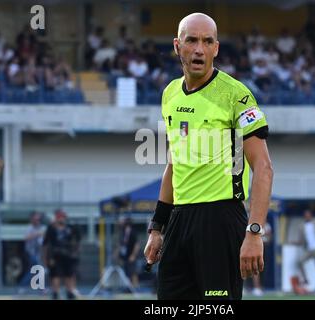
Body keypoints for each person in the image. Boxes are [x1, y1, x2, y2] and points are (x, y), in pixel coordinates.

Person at [144, 13, 273, 300]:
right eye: (191, 40)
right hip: (179, 222)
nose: (199, 49)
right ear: (178, 46)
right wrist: (157, 227)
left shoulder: (235, 95)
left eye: (207, 41)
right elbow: (174, 164)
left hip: (221, 220)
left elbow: (263, 168)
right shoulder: (170, 94)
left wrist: (254, 232)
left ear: (216, 48)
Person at [42, 209, 81, 300]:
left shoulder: (70, 228)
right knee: (55, 275)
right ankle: (56, 292)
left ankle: (70, 291)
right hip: (55, 255)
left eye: (62, 217)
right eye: (59, 217)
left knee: (69, 274)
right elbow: (46, 244)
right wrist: (46, 258)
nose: (61, 219)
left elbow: (77, 240)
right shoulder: (51, 228)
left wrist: (75, 251)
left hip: (68, 254)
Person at [18, 211, 46, 294]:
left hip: (39, 252)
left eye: (38, 219)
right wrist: (36, 234)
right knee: (38, 268)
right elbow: (26, 238)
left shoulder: (41, 227)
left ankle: (25, 286)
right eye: (35, 219)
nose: (37, 220)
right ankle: (39, 288)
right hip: (30, 252)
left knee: (34, 270)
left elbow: (43, 240)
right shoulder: (29, 228)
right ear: (32, 219)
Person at [115, 217, 140, 288]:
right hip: (125, 255)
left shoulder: (133, 232)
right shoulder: (122, 232)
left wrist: (133, 255)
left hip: (131, 255)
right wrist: (117, 253)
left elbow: (136, 245)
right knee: (126, 272)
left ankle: (136, 288)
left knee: (133, 271)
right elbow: (120, 244)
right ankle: (129, 287)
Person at [250, 222, 272, 296]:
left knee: (262, 268)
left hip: (264, 248)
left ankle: (260, 287)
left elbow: (269, 238)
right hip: (256, 247)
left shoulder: (267, 225)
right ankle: (256, 287)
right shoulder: (254, 224)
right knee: (255, 267)